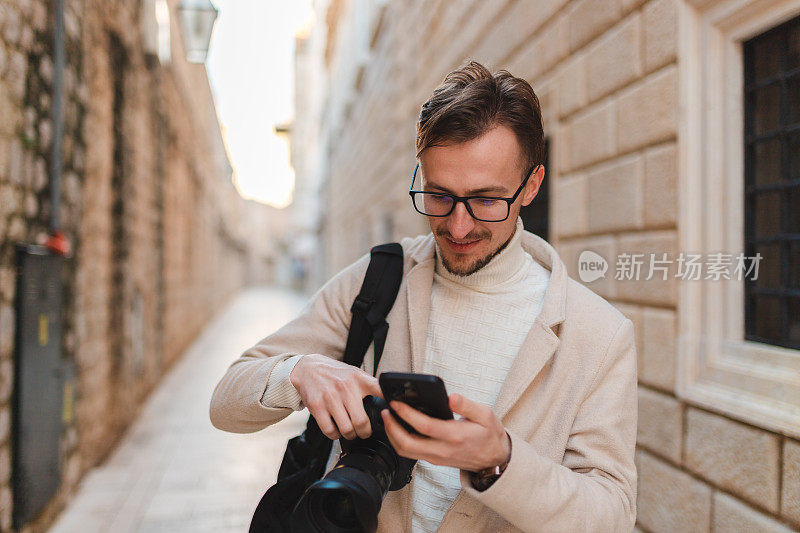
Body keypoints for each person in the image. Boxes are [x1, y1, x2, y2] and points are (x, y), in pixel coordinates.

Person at [209, 60, 637, 532]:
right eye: (439, 195)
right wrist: (298, 371)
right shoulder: (375, 280)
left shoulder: (600, 334)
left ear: (531, 186)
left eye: (487, 200)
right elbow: (226, 403)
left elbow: (612, 515)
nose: (457, 226)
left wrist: (502, 461)